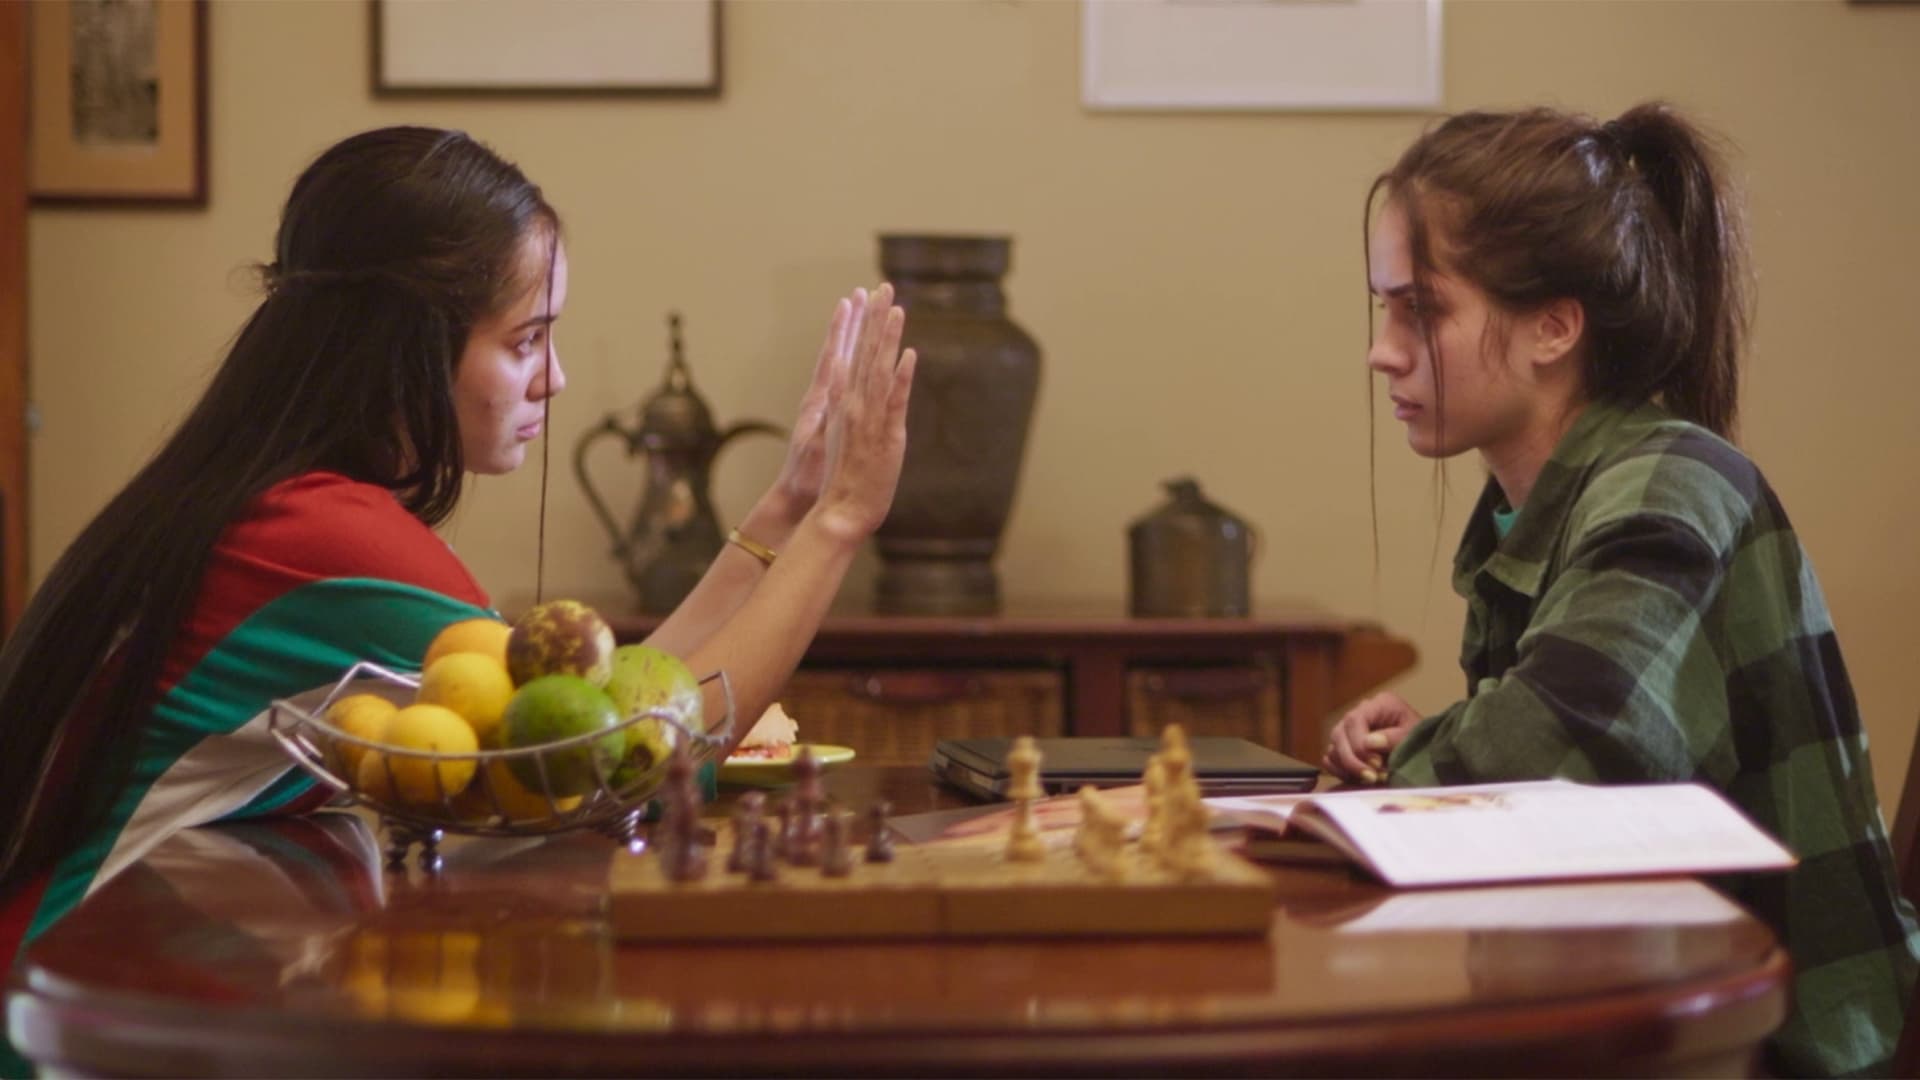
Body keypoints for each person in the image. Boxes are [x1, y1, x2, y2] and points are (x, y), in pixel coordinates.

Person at [0, 125, 915, 1072]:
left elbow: (598, 719)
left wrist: (786, 508)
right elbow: (624, 765)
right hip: (70, 1017)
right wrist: (840, 523)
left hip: (92, 976)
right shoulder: (328, 540)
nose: (554, 378)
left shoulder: (282, 500)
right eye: (527, 341)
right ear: (408, 343)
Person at [1320, 102, 1917, 1075]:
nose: (1382, 350)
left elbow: (1563, 753)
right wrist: (1441, 743)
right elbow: (1549, 755)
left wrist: (1406, 765)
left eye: (1420, 310)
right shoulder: (1553, 499)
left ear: (1554, 327)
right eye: (1382, 308)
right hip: (1651, 1013)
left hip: (1772, 1047)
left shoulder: (1670, 482)